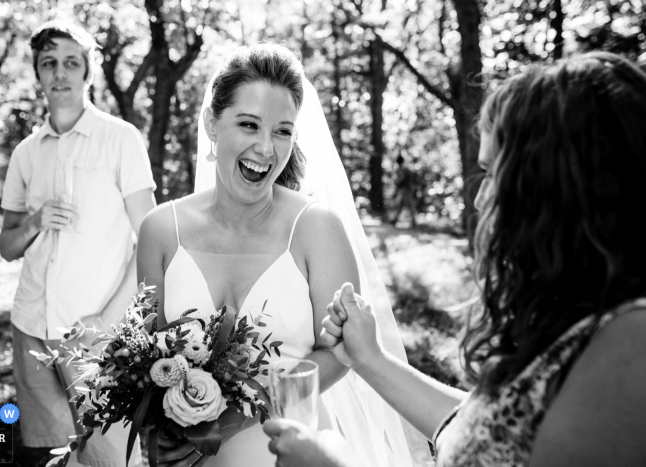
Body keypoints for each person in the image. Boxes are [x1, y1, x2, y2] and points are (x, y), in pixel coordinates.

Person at [264, 52, 646, 466]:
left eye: (494, 175)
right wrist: (369, 359)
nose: (480, 200)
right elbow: (493, 431)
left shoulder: (632, 348)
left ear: (558, 193)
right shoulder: (588, 318)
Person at [137, 43, 427, 467]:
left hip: (293, 446)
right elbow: (147, 357)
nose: (267, 149)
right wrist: (157, 431)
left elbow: (341, 353)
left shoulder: (317, 228)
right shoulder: (160, 230)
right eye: (249, 125)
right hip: (185, 454)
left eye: (282, 131)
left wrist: (237, 415)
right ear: (211, 124)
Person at [0, 20, 156, 467]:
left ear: (89, 71)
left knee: (108, 457)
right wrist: (35, 220)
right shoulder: (26, 153)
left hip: (94, 334)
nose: (60, 73)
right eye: (49, 63)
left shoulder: (120, 138)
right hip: (30, 324)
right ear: (37, 73)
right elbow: (7, 245)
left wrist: (107, 323)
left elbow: (150, 238)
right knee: (52, 456)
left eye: (72, 62)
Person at [389, 154, 417, 227]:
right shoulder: (401, 170)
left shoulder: (404, 170)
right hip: (402, 190)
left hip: (406, 190)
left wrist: (398, 183)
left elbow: (402, 180)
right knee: (400, 205)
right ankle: (395, 220)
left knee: (409, 205)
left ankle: (414, 222)